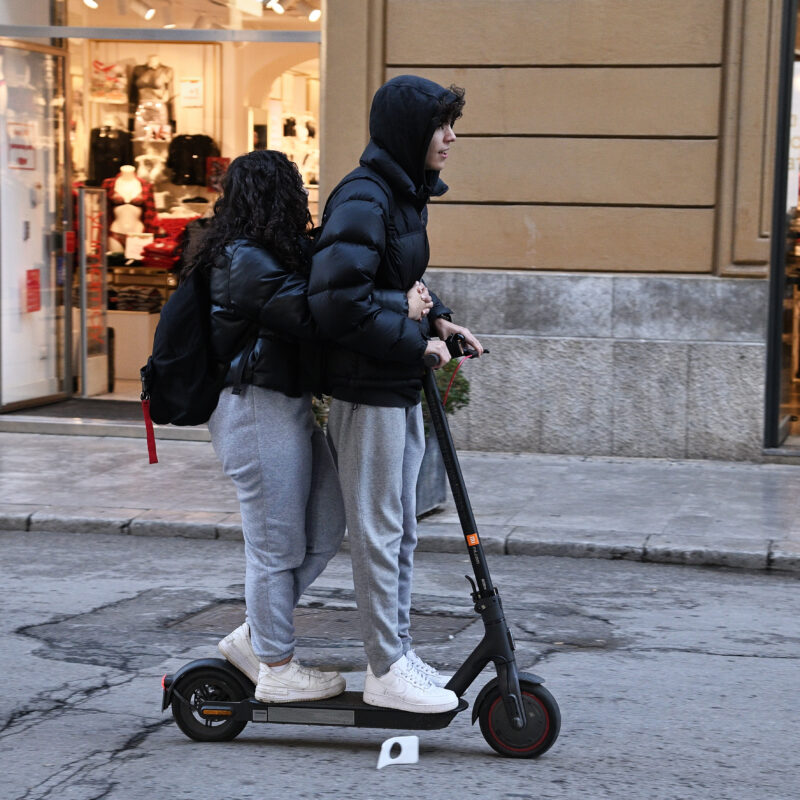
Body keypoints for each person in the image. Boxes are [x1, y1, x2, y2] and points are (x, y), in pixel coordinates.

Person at [195, 150, 431, 704]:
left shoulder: (275, 248)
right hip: (253, 409)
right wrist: (401, 304)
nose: (302, 198)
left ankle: (256, 635)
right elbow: (314, 312)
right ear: (274, 195)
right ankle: (275, 665)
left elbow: (342, 272)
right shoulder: (241, 259)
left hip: (289, 405)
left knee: (327, 525)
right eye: (294, 189)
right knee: (276, 546)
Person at [308, 75, 483, 713]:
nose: (452, 137)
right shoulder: (363, 197)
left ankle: (398, 652)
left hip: (396, 386)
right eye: (442, 125)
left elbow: (401, 283)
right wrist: (415, 341)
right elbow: (334, 303)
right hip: (367, 391)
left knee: (401, 530)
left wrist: (440, 320)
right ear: (411, 130)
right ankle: (385, 671)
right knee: (380, 533)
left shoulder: (402, 196)